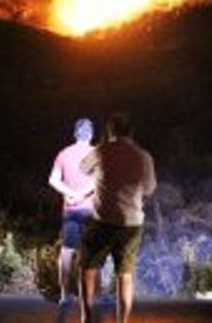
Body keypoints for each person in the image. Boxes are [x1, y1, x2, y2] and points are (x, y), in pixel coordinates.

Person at [78, 113, 156, 323]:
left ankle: (86, 317)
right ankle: (122, 321)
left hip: (102, 220)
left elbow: (83, 168)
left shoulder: (101, 151)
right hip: (131, 223)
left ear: (110, 130)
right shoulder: (144, 156)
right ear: (132, 131)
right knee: (125, 274)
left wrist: (99, 174)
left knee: (87, 267)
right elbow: (149, 189)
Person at [48, 118, 96, 304]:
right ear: (91, 134)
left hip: (71, 210)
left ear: (75, 133)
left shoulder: (64, 153)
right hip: (91, 210)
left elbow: (53, 180)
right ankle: (90, 295)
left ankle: (65, 295)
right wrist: (81, 194)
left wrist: (70, 194)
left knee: (67, 252)